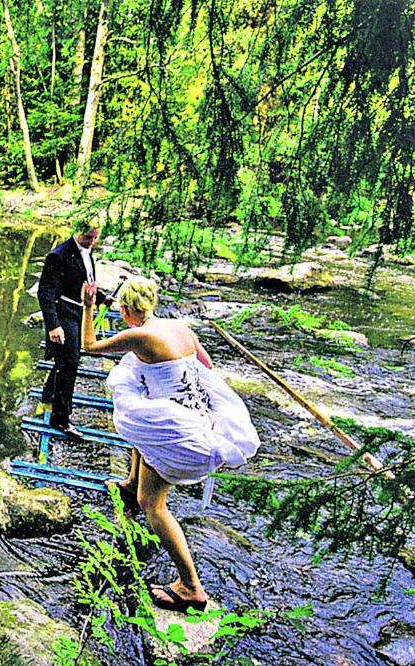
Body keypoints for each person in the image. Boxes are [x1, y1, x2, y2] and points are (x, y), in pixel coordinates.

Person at [80, 277, 259, 613]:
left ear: (127, 309)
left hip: (180, 434)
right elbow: (205, 365)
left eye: (120, 310)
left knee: (153, 503)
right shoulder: (179, 327)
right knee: (142, 419)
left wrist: (89, 307)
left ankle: (191, 586)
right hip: (195, 417)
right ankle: (130, 483)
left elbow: (89, 346)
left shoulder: (140, 336)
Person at [36, 223, 115, 439]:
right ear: (78, 231)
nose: (92, 242)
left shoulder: (87, 252)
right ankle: (60, 419)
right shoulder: (58, 255)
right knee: (69, 363)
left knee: (66, 360)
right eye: (89, 238)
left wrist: (100, 298)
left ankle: (48, 395)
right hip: (63, 312)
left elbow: (84, 280)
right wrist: (53, 325)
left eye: (95, 238)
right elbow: (45, 292)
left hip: (79, 311)